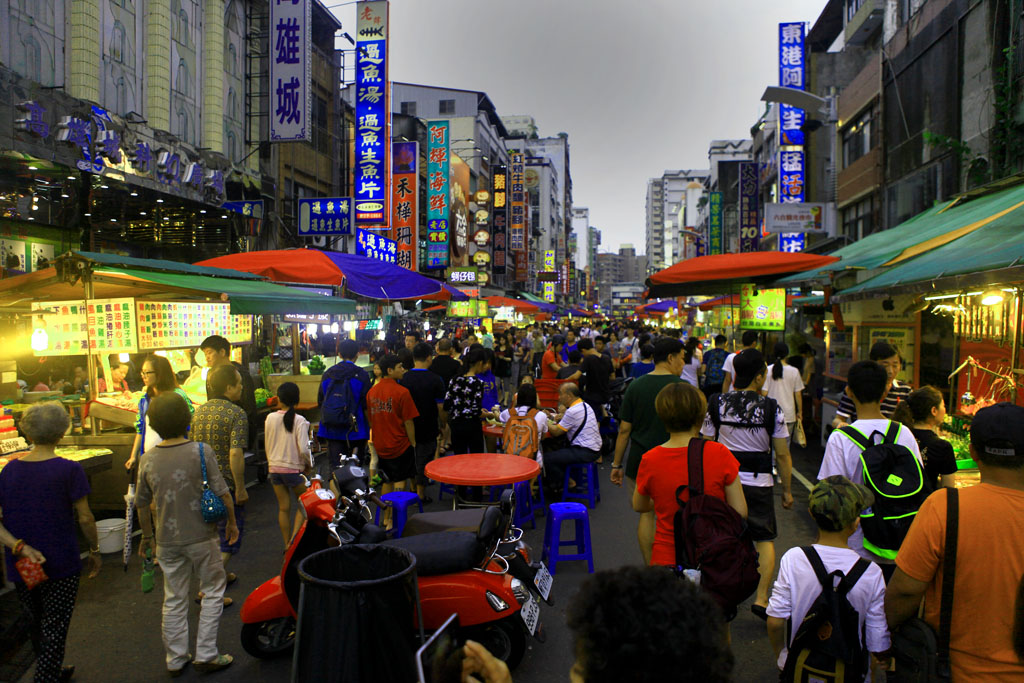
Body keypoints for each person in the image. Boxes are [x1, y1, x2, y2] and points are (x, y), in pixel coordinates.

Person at [887, 401, 1024, 681]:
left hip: (954, 670)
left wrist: (888, 633)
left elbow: (905, 591)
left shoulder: (945, 507)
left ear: (973, 452)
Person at [136, 393, 238, 676]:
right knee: (214, 590)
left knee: (174, 597)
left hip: (167, 541)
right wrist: (231, 522)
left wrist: (147, 537)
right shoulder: (201, 451)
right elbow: (221, 490)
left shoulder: (147, 459)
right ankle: (206, 653)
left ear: (153, 424)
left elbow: (142, 505)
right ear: (187, 419)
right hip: (202, 536)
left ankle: (176, 658)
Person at [0, 404, 100, 683]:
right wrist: (95, 550)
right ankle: (45, 676)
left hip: (22, 562)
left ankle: (52, 669)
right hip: (60, 562)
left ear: (28, 432)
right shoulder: (69, 470)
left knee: (35, 621)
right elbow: (85, 518)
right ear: (62, 432)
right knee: (55, 624)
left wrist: (19, 547)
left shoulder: (9, 471)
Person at [701, 348, 793, 617]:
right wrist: (786, 490)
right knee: (763, 539)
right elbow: (783, 455)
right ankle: (761, 598)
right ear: (759, 376)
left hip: (723, 483)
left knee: (722, 538)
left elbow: (707, 445)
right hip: (759, 483)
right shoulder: (771, 409)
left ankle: (720, 591)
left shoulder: (717, 403)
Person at [766, 476, 889, 677]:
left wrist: (783, 657)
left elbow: (775, 621)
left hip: (801, 669)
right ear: (856, 523)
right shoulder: (871, 572)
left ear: (811, 515)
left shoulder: (794, 558)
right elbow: (876, 641)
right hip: (849, 674)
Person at [817, 360, 922, 569]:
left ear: (849, 391)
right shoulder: (904, 433)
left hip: (856, 546)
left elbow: (830, 493)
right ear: (885, 392)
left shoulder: (841, 439)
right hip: (899, 541)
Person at [633, 383, 745, 567]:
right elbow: (740, 511)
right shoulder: (720, 453)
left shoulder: (650, 459)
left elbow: (639, 505)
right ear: (701, 416)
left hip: (667, 557)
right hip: (713, 556)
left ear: (661, 416)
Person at [611, 338, 685, 564]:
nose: (684, 364)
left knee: (647, 514)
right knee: (677, 514)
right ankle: (676, 563)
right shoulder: (683, 388)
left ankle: (651, 565)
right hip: (678, 461)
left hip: (640, 461)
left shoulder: (636, 385)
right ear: (671, 358)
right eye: (682, 358)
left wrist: (616, 464)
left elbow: (624, 430)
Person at [190, 363, 249, 601]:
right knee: (231, 535)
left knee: (210, 535)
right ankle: (210, 589)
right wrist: (241, 488)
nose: (242, 388)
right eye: (239, 384)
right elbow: (235, 454)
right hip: (225, 485)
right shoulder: (237, 414)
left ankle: (220, 574)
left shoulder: (198, 413)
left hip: (199, 484)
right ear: (228, 387)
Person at [125, 354, 193, 472]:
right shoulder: (144, 400)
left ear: (160, 373)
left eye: (147, 373)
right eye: (142, 373)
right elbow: (141, 428)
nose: (143, 376)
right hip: (149, 458)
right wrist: (133, 456)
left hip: (175, 458)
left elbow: (190, 425)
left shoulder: (177, 396)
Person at [265, 382, 312, 547]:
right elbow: (304, 449)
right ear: (297, 399)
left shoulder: (270, 418)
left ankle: (286, 544)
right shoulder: (300, 421)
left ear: (279, 398)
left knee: (283, 508)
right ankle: (294, 540)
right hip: (293, 470)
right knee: (304, 504)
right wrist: (309, 464)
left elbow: (267, 443)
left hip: (274, 469)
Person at [366, 354, 418, 505]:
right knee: (400, 480)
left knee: (386, 480)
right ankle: (397, 517)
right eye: (399, 367)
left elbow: (371, 419)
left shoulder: (372, 392)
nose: (403, 369)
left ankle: (386, 517)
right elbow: (409, 422)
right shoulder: (402, 392)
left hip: (381, 443)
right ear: (389, 370)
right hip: (400, 443)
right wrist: (413, 442)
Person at [400, 343, 447, 503]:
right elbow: (440, 406)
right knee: (424, 458)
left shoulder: (404, 379)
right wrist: (443, 423)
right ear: (429, 358)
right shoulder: (436, 379)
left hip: (407, 425)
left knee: (411, 456)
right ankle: (420, 493)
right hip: (428, 424)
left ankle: (413, 487)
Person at [317, 340, 372, 468]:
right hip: (356, 430)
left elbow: (321, 401)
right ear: (357, 355)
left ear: (339, 354)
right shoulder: (362, 375)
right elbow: (366, 405)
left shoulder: (328, 374)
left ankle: (335, 488)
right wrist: (370, 427)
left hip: (331, 428)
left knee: (336, 469)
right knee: (355, 470)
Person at [893, 386, 957, 491]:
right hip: (927, 504)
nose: (945, 410)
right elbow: (949, 490)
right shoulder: (942, 447)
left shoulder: (898, 436)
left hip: (897, 500)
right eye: (943, 406)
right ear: (934, 411)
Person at [833, 342, 911, 428]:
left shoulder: (906, 391)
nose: (890, 371)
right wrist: (842, 425)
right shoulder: (858, 388)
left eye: (895, 366)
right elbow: (838, 419)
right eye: (885, 366)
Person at [544, 383, 602, 492]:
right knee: (556, 451)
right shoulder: (585, 405)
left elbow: (556, 432)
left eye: (561, 394)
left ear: (569, 395)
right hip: (595, 449)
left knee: (546, 458)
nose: (559, 398)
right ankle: (559, 484)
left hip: (585, 451)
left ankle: (569, 482)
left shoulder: (573, 411)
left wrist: (542, 420)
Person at [199, 335, 256, 445]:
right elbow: (211, 402)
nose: (207, 357)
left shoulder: (240, 373)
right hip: (218, 431)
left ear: (222, 352)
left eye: (209, 352)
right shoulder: (211, 375)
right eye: (205, 354)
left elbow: (249, 406)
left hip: (239, 429)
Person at [444, 347, 489, 455]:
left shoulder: (454, 380)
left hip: (456, 425)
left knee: (459, 459)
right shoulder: (478, 383)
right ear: (480, 363)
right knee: (476, 460)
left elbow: (447, 405)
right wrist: (489, 414)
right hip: (473, 426)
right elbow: (476, 411)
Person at [762, 342, 805, 443]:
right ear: (787, 354)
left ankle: (773, 459)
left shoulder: (768, 370)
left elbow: (764, 393)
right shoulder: (794, 371)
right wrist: (800, 412)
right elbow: (798, 394)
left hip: (771, 412)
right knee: (786, 445)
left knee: (771, 444)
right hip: (789, 414)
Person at [494, 334, 514, 406]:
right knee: (497, 384)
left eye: (503, 340)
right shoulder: (497, 348)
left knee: (506, 385)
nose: (502, 341)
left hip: (506, 368)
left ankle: (505, 400)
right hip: (498, 368)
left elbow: (511, 359)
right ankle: (500, 396)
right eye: (501, 340)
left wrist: (504, 358)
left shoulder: (509, 349)